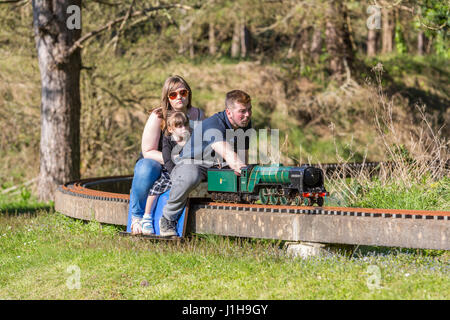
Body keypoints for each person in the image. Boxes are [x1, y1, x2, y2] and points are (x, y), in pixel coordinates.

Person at [159, 90, 253, 236]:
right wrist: (244, 170)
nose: (247, 115)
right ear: (228, 112)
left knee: (242, 179)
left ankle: (239, 226)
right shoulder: (214, 124)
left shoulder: (245, 123)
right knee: (191, 175)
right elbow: (228, 153)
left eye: (249, 110)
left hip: (218, 164)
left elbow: (242, 154)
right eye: (242, 111)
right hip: (191, 163)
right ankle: (167, 218)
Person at [129, 75, 204, 235]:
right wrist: (175, 160)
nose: (179, 97)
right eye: (173, 94)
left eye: (183, 92)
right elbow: (147, 150)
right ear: (167, 97)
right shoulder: (158, 116)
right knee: (147, 169)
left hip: (184, 162)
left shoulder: (197, 115)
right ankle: (136, 217)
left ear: (188, 94)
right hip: (156, 160)